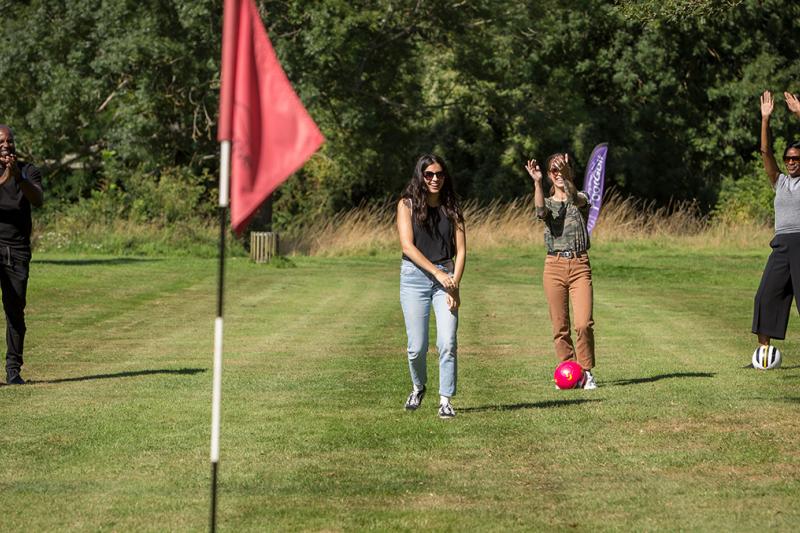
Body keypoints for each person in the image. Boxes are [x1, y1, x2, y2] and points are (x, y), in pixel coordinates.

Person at [397, 154, 466, 418]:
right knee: (417, 347)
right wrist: (437, 273)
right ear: (421, 177)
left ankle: (445, 400)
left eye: (439, 174)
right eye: (429, 175)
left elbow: (461, 251)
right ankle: (418, 386)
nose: (435, 179)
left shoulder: (453, 208)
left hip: (446, 280)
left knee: (447, 341)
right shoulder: (407, 205)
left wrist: (454, 285)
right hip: (414, 278)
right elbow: (407, 246)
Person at [525, 152, 597, 389]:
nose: (558, 174)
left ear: (569, 171)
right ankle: (568, 371)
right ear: (548, 175)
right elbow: (539, 212)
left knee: (583, 324)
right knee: (559, 326)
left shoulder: (582, 198)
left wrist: (567, 178)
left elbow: (575, 198)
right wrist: (536, 182)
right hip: (553, 266)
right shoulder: (546, 201)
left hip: (579, 265)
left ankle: (586, 372)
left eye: (562, 169)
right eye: (553, 171)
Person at [751, 91, 800, 353]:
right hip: (781, 245)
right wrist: (765, 120)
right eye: (788, 158)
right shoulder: (779, 182)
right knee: (766, 297)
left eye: (796, 158)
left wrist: (799, 114)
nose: (791, 162)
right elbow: (765, 151)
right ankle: (764, 353)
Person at [0, 125, 43, 385]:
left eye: (10, 141)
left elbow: (37, 199)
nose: (6, 145)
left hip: (17, 251)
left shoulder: (28, 170)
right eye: (1, 141)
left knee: (15, 310)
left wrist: (18, 177)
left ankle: (13, 370)